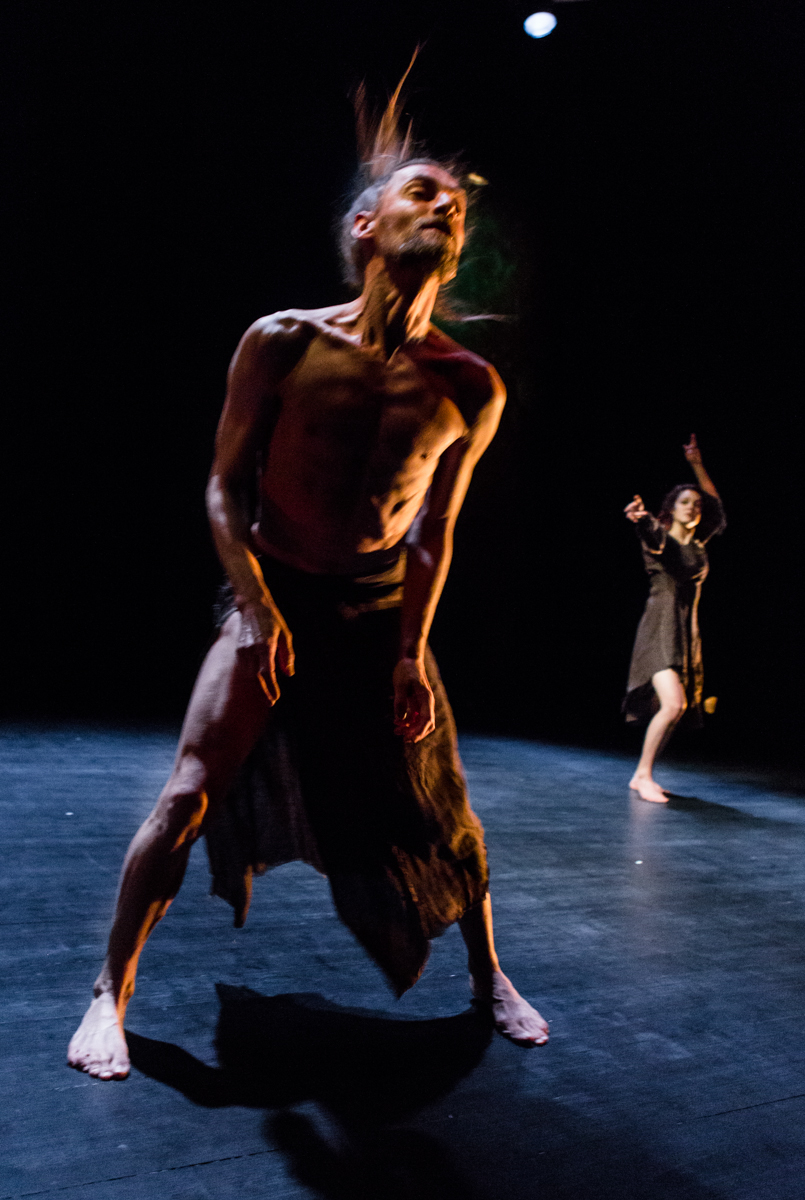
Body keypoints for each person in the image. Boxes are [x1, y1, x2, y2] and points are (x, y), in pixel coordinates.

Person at [67, 79, 549, 1081]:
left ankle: (489, 977)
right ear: (363, 224)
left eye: (454, 204)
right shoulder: (283, 339)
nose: (444, 205)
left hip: (375, 613)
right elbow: (218, 487)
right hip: (274, 588)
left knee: (442, 809)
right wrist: (252, 604)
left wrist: (411, 654)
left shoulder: (469, 385)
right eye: (423, 191)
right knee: (189, 794)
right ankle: (109, 993)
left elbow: (433, 533)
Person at [623, 434, 726, 803]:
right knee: (673, 705)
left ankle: (643, 774)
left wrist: (696, 463)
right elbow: (649, 531)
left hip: (685, 631)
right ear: (672, 507)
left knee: (674, 708)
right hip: (659, 627)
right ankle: (642, 775)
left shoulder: (698, 545)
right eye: (685, 502)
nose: (693, 508)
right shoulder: (662, 538)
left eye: (695, 504)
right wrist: (641, 517)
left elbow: (715, 506)